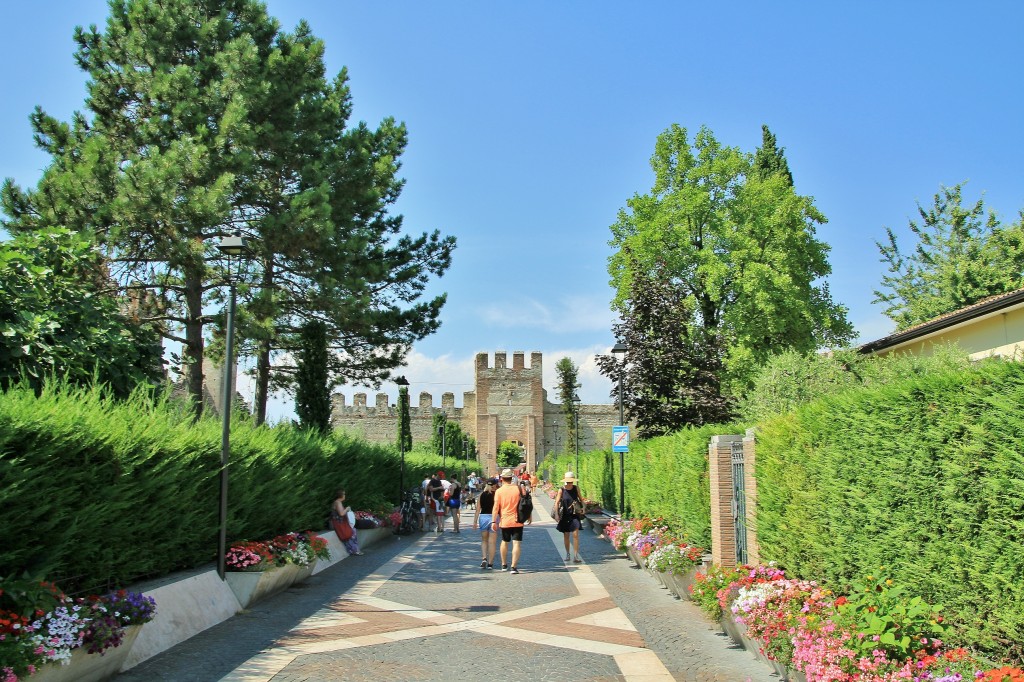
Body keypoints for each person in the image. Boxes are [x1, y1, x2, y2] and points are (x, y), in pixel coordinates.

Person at [491, 468, 530, 574]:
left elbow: (496, 507)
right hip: (518, 520)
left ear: (502, 479)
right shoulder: (518, 488)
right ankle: (513, 567)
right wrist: (529, 516)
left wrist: (494, 521)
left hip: (505, 521)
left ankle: (504, 565)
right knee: (517, 543)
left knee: (504, 542)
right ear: (511, 478)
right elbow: (525, 503)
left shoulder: (499, 491)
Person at [553, 472, 583, 563]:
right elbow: (557, 502)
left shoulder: (576, 488)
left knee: (575, 535)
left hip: (574, 514)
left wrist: (584, 508)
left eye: (571, 481)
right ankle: (567, 554)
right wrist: (557, 514)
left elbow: (581, 499)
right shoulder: (561, 490)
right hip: (565, 515)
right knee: (566, 535)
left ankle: (576, 555)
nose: (570, 483)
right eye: (568, 481)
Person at [473, 478, 497, 568]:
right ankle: (490, 563)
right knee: (492, 542)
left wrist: (475, 522)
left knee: (484, 540)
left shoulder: (481, 495)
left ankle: (484, 558)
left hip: (483, 517)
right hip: (493, 517)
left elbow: (477, 510)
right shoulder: (496, 495)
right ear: (494, 485)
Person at [331, 489, 363, 556]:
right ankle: (355, 550)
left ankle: (353, 550)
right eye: (344, 494)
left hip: (340, 522)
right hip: (340, 523)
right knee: (351, 533)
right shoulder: (338, 502)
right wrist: (347, 508)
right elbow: (341, 513)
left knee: (350, 533)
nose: (345, 496)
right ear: (341, 495)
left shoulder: (337, 502)